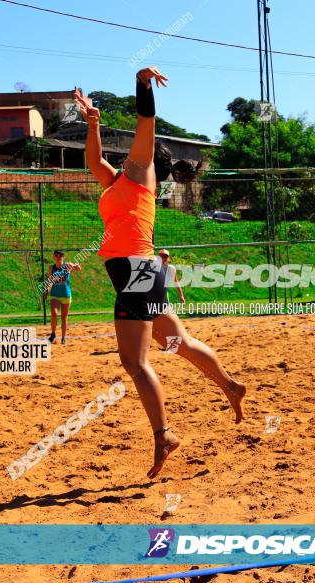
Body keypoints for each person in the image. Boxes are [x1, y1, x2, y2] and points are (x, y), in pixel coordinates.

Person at [74, 67, 246, 479]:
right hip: (142, 270)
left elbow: (146, 123)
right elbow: (93, 160)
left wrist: (140, 83)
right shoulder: (115, 181)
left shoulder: (140, 175)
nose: (129, 153)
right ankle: (231, 386)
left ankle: (164, 434)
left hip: (134, 270)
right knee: (178, 342)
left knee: (134, 363)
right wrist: (93, 122)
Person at [44, 250, 81, 344]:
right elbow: (50, 281)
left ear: (63, 257)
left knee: (64, 317)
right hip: (55, 295)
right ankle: (53, 334)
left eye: (60, 255)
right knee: (54, 314)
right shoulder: (51, 268)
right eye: (56, 255)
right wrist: (46, 290)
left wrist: (76, 266)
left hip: (66, 295)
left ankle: (63, 337)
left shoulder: (67, 266)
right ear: (54, 257)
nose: (58, 257)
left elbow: (79, 268)